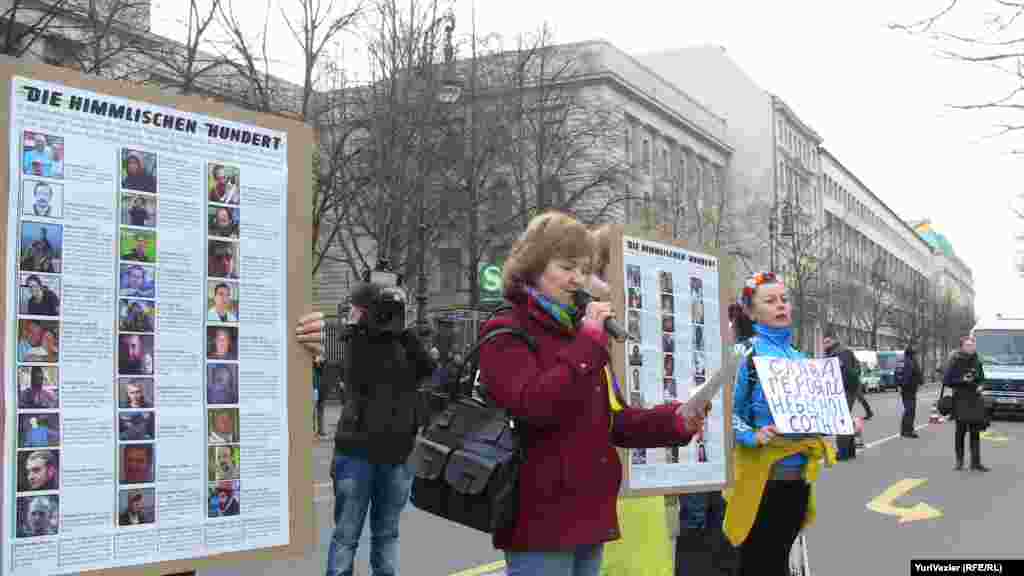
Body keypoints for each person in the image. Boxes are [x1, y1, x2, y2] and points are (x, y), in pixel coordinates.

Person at [476, 215, 705, 576]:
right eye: (566, 267)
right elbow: (532, 405)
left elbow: (611, 421)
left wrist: (675, 421)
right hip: (540, 516)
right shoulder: (508, 329)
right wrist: (588, 345)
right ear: (533, 265)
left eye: (584, 270)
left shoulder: (577, 333)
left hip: (589, 511)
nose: (577, 280)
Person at [294, 279, 436, 576]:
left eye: (356, 308)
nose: (352, 313)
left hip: (396, 456)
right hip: (357, 454)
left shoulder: (404, 342)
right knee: (347, 535)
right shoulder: (357, 341)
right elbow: (358, 374)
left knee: (386, 534)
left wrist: (404, 332)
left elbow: (427, 369)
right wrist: (367, 327)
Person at [724, 271, 836, 576]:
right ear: (751, 312)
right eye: (770, 300)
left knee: (781, 559)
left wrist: (835, 417)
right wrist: (751, 434)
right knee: (759, 564)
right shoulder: (744, 354)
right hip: (762, 480)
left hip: (799, 479)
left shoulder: (800, 358)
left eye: (784, 299)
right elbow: (723, 413)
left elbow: (815, 413)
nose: (781, 305)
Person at [944, 336, 989, 472]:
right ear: (962, 347)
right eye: (968, 345)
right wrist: (962, 380)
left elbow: (982, 379)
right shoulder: (956, 361)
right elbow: (947, 381)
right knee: (960, 432)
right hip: (961, 399)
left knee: (975, 432)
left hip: (975, 399)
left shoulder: (977, 361)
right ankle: (959, 462)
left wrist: (981, 386)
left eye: (972, 345)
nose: (971, 347)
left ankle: (976, 463)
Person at [823, 332, 862, 459]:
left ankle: (844, 452)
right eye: (824, 342)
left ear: (834, 341)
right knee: (845, 419)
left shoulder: (839, 353)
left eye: (827, 342)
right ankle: (849, 450)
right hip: (847, 389)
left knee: (842, 420)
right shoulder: (841, 352)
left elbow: (847, 373)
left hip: (844, 390)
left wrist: (840, 390)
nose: (825, 345)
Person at [900, 345, 923, 439]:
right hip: (909, 389)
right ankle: (908, 430)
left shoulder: (905, 361)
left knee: (909, 410)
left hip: (907, 389)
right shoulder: (910, 363)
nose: (916, 356)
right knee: (910, 410)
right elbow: (912, 375)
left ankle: (905, 430)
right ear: (911, 354)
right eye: (914, 354)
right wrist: (919, 382)